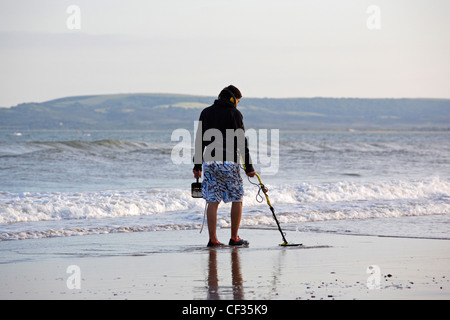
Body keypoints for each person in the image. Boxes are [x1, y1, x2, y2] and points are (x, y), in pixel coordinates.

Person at [193, 85, 256, 247]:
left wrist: (197, 165)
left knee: (212, 200)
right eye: (238, 101)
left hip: (209, 161)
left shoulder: (206, 112)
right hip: (228, 161)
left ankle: (213, 240)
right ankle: (234, 238)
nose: (238, 104)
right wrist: (249, 167)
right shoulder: (234, 114)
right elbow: (242, 141)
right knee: (237, 198)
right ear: (232, 99)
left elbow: (200, 140)